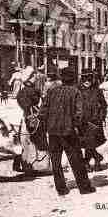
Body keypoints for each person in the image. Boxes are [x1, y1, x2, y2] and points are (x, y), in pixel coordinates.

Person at [39, 67, 95, 196]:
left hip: (52, 131)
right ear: (74, 78)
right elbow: (79, 114)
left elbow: (43, 112)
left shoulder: (52, 91)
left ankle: (61, 188)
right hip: (68, 131)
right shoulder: (75, 92)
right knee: (76, 159)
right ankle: (84, 187)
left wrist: (49, 123)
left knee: (56, 161)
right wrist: (77, 126)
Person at [78, 69, 107, 172]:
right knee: (86, 143)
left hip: (95, 121)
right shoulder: (78, 90)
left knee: (91, 142)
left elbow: (104, 105)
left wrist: (101, 116)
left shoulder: (97, 91)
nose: (87, 81)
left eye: (89, 79)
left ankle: (89, 162)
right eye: (85, 79)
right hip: (82, 121)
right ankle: (97, 158)